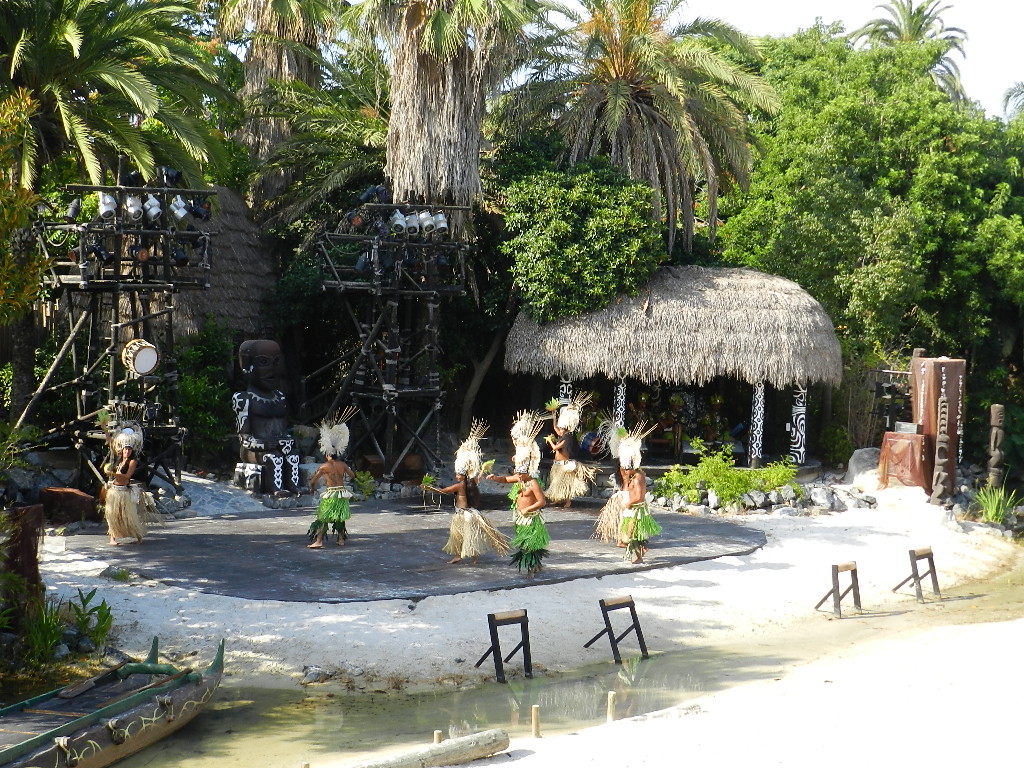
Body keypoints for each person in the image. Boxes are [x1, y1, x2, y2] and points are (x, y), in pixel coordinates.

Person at [425, 420, 509, 564]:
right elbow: (478, 479)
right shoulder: (470, 483)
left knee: (459, 535)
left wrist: (429, 488)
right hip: (469, 513)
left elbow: (444, 491)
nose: (456, 476)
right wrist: (482, 471)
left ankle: (460, 555)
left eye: (458, 474)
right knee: (467, 535)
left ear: (463, 474)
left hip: (463, 514)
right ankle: (472, 557)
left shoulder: (460, 485)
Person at [232, 339, 301, 498]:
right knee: (273, 457)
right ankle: (275, 488)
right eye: (264, 362)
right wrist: (262, 443)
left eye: (276, 362)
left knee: (293, 455)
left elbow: (283, 429)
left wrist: (287, 440)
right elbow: (243, 437)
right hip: (252, 450)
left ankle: (294, 485)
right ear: (247, 366)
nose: (272, 369)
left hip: (276, 444)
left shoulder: (280, 397)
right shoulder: (244, 399)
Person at [594, 422, 661, 564]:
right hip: (633, 509)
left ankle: (639, 553)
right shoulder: (635, 476)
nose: (624, 470)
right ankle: (639, 554)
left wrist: (629, 503)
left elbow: (638, 496)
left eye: (626, 468)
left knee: (632, 533)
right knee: (631, 533)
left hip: (636, 509)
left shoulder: (637, 478)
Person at [488, 444, 549, 575]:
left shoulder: (533, 483)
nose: (519, 475)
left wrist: (528, 509)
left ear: (528, 471)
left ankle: (532, 566)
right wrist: (495, 478)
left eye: (522, 473)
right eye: (518, 472)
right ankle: (537, 564)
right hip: (520, 517)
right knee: (523, 542)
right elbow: (505, 479)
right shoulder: (519, 479)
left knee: (529, 543)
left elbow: (542, 501)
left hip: (530, 518)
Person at [308, 410, 357, 548]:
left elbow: (313, 481)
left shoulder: (324, 467)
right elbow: (353, 476)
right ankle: (340, 540)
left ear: (327, 454)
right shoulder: (343, 464)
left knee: (323, 516)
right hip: (342, 493)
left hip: (331, 494)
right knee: (340, 516)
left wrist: (312, 489)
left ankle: (319, 541)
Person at [544, 392, 597, 509]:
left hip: (564, 465)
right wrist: (554, 416)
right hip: (557, 465)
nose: (559, 430)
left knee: (565, 484)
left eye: (561, 428)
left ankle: (568, 501)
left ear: (566, 428)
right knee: (555, 483)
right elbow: (555, 428)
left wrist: (550, 441)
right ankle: (557, 500)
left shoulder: (567, 438)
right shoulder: (562, 435)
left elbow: (554, 448)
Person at [104, 427, 147, 545]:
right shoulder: (120, 460)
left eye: (129, 450)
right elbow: (110, 443)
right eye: (125, 449)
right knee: (113, 515)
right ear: (122, 450)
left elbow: (127, 477)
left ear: (132, 451)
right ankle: (112, 538)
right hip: (114, 491)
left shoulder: (132, 462)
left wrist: (112, 474)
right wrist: (105, 429)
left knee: (128, 516)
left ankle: (138, 536)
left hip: (124, 492)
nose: (127, 452)